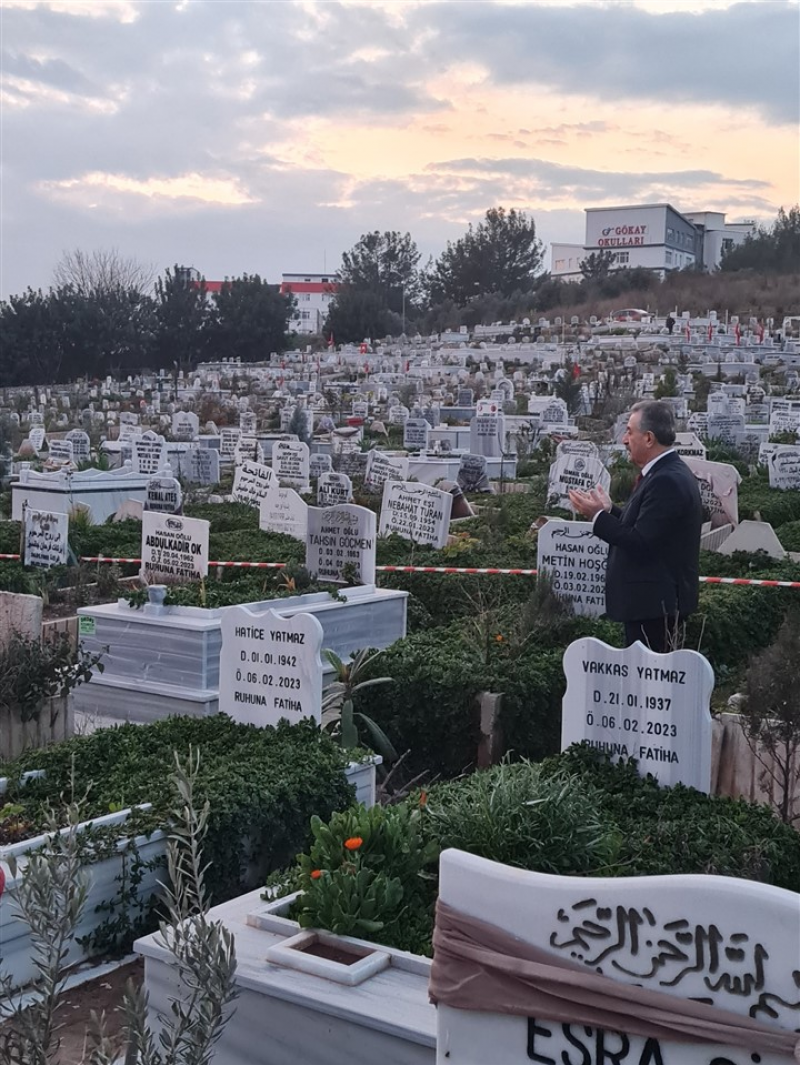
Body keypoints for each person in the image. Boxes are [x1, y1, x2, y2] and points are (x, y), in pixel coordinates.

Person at [568, 400, 703, 653]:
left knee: (650, 674)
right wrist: (611, 511)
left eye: (629, 432)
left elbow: (641, 542)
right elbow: (650, 528)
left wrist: (597, 516)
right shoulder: (664, 472)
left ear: (649, 438)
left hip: (654, 608)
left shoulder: (667, 480)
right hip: (651, 605)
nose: (624, 440)